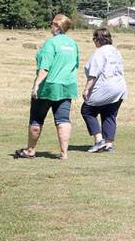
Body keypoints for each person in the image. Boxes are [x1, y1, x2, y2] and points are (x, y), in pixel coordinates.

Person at [15, 14, 80, 160]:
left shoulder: (51, 43)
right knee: (63, 119)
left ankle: (30, 150)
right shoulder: (73, 44)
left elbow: (45, 67)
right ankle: (64, 153)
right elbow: (75, 65)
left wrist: (37, 85)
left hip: (48, 87)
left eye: (52, 23)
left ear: (57, 26)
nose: (50, 25)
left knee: (37, 119)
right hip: (67, 87)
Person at [80, 27, 128, 153]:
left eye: (94, 39)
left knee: (87, 110)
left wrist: (86, 89)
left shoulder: (100, 52)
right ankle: (108, 144)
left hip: (105, 86)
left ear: (97, 39)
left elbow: (94, 73)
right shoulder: (115, 51)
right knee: (109, 114)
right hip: (119, 88)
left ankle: (99, 140)